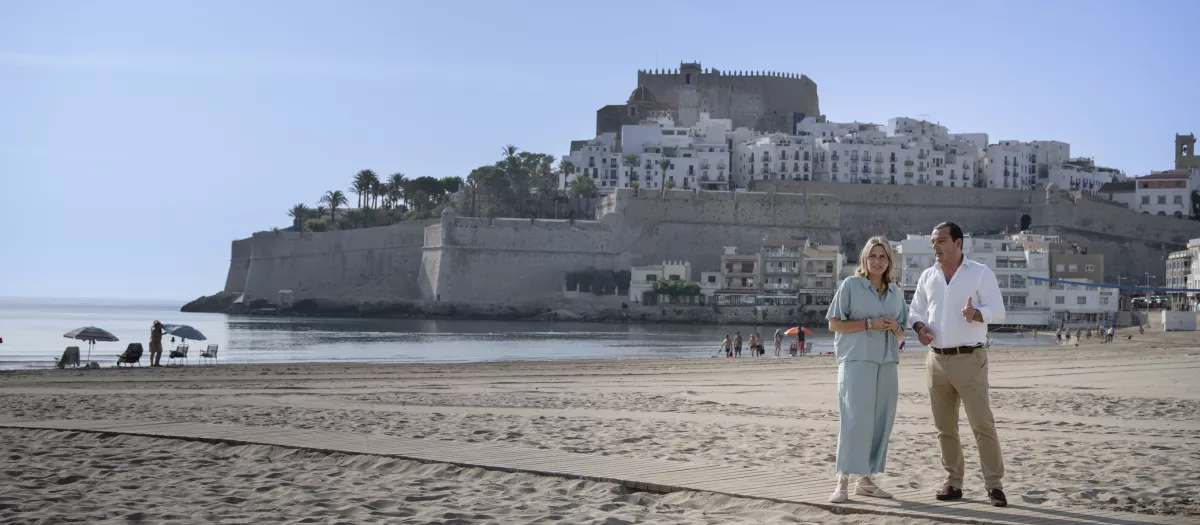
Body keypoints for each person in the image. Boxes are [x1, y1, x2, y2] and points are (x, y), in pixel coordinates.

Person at [908, 222, 1008, 507]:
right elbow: (915, 310)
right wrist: (919, 328)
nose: (935, 246)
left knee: (982, 424)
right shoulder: (928, 275)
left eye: (941, 241)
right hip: (936, 360)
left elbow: (999, 312)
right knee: (945, 427)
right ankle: (953, 482)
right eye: (933, 242)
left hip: (970, 359)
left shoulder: (980, 272)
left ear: (958, 243)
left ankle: (994, 486)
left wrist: (977, 314)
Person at [825, 236, 906, 504]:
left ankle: (865, 480)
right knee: (855, 420)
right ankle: (842, 481)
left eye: (882, 257)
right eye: (873, 256)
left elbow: (902, 331)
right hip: (856, 360)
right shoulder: (851, 285)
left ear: (889, 261)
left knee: (880, 422)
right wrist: (870, 324)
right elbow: (834, 323)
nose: (877, 261)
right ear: (864, 258)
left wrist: (894, 326)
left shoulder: (895, 292)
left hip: (887, 362)